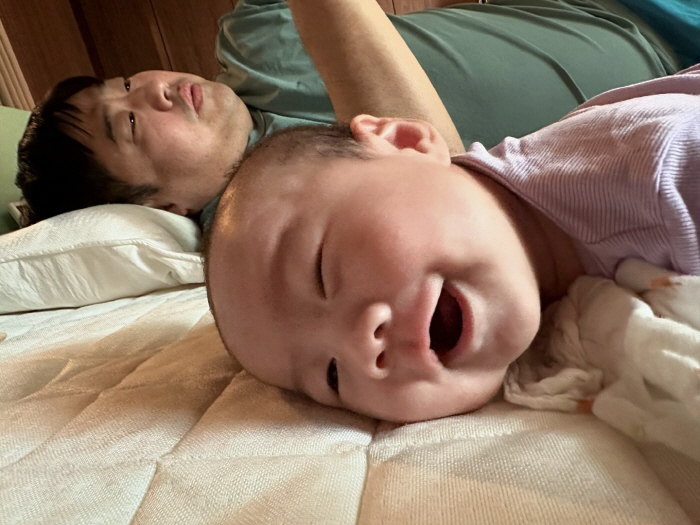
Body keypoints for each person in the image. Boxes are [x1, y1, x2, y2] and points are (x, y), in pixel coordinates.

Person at [204, 0, 699, 422]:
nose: (362, 348)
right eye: (331, 375)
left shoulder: (655, 174)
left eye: (322, 270)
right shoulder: (513, 245)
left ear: (407, 140)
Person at [15, 0, 680, 225]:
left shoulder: (249, 34)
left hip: (633, 13)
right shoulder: (286, 211)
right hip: (675, 120)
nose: (154, 87)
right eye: (128, 122)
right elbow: (440, 193)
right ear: (163, 209)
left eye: (129, 80)